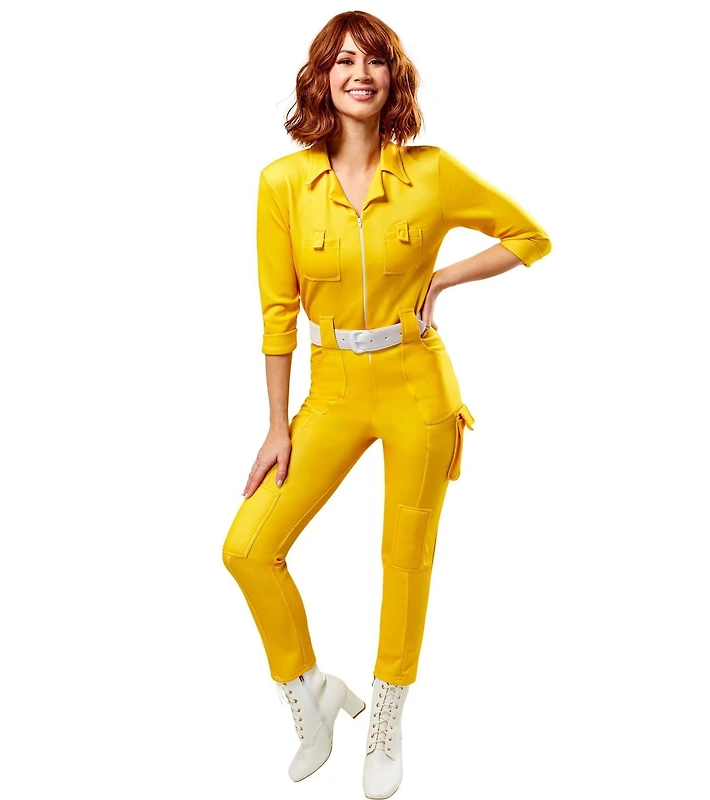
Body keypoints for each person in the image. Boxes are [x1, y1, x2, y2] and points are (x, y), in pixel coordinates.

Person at [221, 10, 552, 799]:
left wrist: (442, 279)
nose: (359, 74)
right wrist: (276, 425)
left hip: (417, 387)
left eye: (374, 61)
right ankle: (311, 693)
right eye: (343, 61)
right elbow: (277, 314)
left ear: (392, 77)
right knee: (247, 549)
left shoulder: (431, 173)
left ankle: (388, 718)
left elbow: (529, 236)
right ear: (322, 78)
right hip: (332, 389)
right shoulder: (282, 183)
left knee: (404, 560)